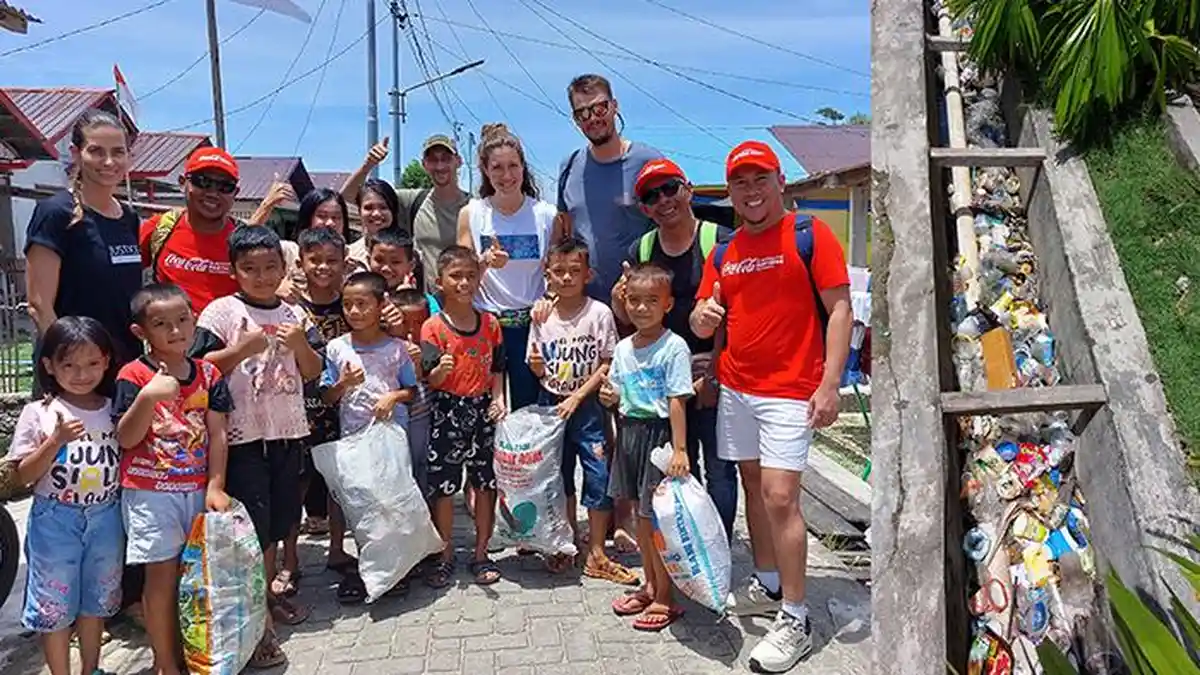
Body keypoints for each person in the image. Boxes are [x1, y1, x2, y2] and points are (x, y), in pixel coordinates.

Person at [690, 141, 853, 673]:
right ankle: (766, 580)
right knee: (754, 490)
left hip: (790, 391)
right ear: (731, 190)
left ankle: (796, 616)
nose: (751, 190)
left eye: (760, 179)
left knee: (782, 497)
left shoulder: (810, 236)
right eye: (741, 182)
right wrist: (705, 318)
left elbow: (840, 311)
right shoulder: (724, 252)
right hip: (738, 388)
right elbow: (700, 318)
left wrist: (829, 385)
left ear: (780, 182)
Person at [189, 226, 324, 646]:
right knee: (253, 526)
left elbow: (314, 371)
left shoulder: (295, 315)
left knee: (282, 520)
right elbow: (198, 370)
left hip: (286, 432)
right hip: (241, 439)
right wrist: (240, 350)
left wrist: (301, 343)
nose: (262, 277)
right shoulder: (220, 313)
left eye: (270, 268)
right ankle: (257, 615)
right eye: (250, 269)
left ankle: (266, 596)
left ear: (284, 268)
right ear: (234, 271)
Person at [113, 284, 235, 673]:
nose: (175, 330)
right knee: (161, 578)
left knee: (200, 576)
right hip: (151, 494)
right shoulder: (132, 375)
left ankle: (199, 654)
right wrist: (148, 397)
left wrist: (215, 485)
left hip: (196, 489)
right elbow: (126, 438)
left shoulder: (208, 373)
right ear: (141, 332)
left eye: (182, 319)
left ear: (194, 320)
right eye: (161, 323)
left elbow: (217, 433)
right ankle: (165, 662)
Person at [617, 158, 739, 540]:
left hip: (713, 371)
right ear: (644, 209)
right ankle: (689, 546)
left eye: (670, 188)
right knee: (682, 467)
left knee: (719, 468)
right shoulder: (643, 248)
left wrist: (715, 373)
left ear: (687, 189)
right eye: (652, 196)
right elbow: (631, 311)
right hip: (663, 382)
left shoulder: (720, 241)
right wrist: (618, 298)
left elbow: (736, 312)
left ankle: (718, 547)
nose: (663, 200)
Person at [9, 317, 123, 675]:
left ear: (106, 361)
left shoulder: (114, 408)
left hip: (106, 517)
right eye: (69, 364)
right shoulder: (39, 413)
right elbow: (24, 476)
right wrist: (55, 441)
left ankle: (91, 669)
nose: (81, 373)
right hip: (55, 520)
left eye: (91, 363)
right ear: (49, 366)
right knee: (53, 606)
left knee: (97, 601)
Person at [526, 235, 636, 584]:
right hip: (551, 406)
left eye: (575, 270)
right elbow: (537, 365)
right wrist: (537, 367)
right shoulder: (541, 316)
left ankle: (598, 552)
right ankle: (567, 541)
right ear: (547, 275)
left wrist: (578, 396)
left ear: (588, 274)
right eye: (559, 271)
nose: (567, 278)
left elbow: (607, 362)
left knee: (598, 475)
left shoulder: (600, 313)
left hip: (588, 407)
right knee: (557, 476)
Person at [600, 262, 692, 631]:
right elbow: (618, 395)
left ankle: (666, 595)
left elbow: (676, 401)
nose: (641, 308)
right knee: (639, 514)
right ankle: (650, 583)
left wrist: (680, 449)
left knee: (658, 520)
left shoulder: (674, 347)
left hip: (660, 437)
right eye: (634, 300)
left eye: (651, 301)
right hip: (630, 433)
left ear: (668, 304)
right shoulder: (622, 348)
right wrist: (609, 397)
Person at [319, 271, 419, 603]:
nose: (354, 312)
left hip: (391, 438)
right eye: (347, 305)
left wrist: (393, 397)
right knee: (361, 503)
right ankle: (368, 565)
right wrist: (343, 384)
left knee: (392, 499)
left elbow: (412, 390)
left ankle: (398, 566)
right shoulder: (336, 348)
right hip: (354, 438)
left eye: (362, 304)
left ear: (381, 306)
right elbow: (327, 398)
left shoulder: (396, 349)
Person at [25, 110, 143, 367]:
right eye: (97, 151)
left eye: (118, 152)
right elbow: (39, 305)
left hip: (124, 366)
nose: (109, 162)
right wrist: (73, 361)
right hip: (75, 372)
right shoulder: (56, 213)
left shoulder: (129, 217)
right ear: (76, 153)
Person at [419, 245, 506, 588]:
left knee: (485, 483)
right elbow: (430, 378)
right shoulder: (432, 328)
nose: (464, 282)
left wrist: (498, 400)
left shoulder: (491, 323)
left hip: (483, 409)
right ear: (439, 282)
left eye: (471, 275)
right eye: (456, 276)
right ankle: (444, 553)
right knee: (444, 486)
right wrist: (440, 370)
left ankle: (482, 552)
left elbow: (498, 369)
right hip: (447, 411)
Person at [457, 123, 554, 414]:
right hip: (485, 328)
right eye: (497, 167)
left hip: (533, 328)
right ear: (485, 170)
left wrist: (548, 300)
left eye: (513, 165)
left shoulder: (547, 215)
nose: (506, 175)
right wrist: (484, 262)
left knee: (530, 413)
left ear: (524, 167)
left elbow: (559, 273)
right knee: (486, 409)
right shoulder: (471, 214)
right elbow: (459, 276)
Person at [556, 74, 664, 306]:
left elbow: (676, 226)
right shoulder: (569, 167)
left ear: (614, 106)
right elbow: (562, 237)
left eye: (600, 108)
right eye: (583, 112)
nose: (592, 118)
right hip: (585, 310)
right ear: (575, 119)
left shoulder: (649, 162)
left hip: (641, 309)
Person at [290, 227, 355, 586]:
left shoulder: (352, 302)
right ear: (300, 263)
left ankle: (336, 548)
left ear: (344, 264)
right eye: (315, 260)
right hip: (298, 404)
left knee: (337, 482)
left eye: (332, 260)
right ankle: (290, 557)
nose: (323, 267)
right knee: (297, 481)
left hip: (342, 405)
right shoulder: (289, 306)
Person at [341, 135, 471, 291]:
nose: (440, 165)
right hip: (424, 303)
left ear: (459, 161)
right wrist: (368, 165)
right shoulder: (413, 201)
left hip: (464, 299)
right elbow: (345, 197)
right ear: (424, 165)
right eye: (433, 160)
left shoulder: (475, 207)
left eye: (446, 158)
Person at [140, 146, 243, 314]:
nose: (213, 193)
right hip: (173, 338)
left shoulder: (243, 240)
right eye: (203, 181)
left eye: (225, 186)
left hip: (232, 339)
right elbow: (122, 278)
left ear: (235, 193)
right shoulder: (159, 228)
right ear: (182, 183)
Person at [388, 287, 434, 496]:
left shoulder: (430, 347)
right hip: (394, 418)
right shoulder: (385, 346)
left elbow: (431, 379)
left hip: (421, 417)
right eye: (405, 323)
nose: (411, 330)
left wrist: (416, 362)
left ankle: (424, 511)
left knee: (420, 463)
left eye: (418, 323)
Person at [366, 227, 441, 315]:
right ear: (368, 260)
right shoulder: (359, 297)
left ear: (411, 266)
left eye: (395, 262)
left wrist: (407, 300)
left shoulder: (427, 303)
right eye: (379, 260)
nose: (385, 268)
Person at [345, 178, 402, 274]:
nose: (376, 214)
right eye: (368, 208)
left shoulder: (411, 254)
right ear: (359, 212)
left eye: (383, 207)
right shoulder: (349, 255)